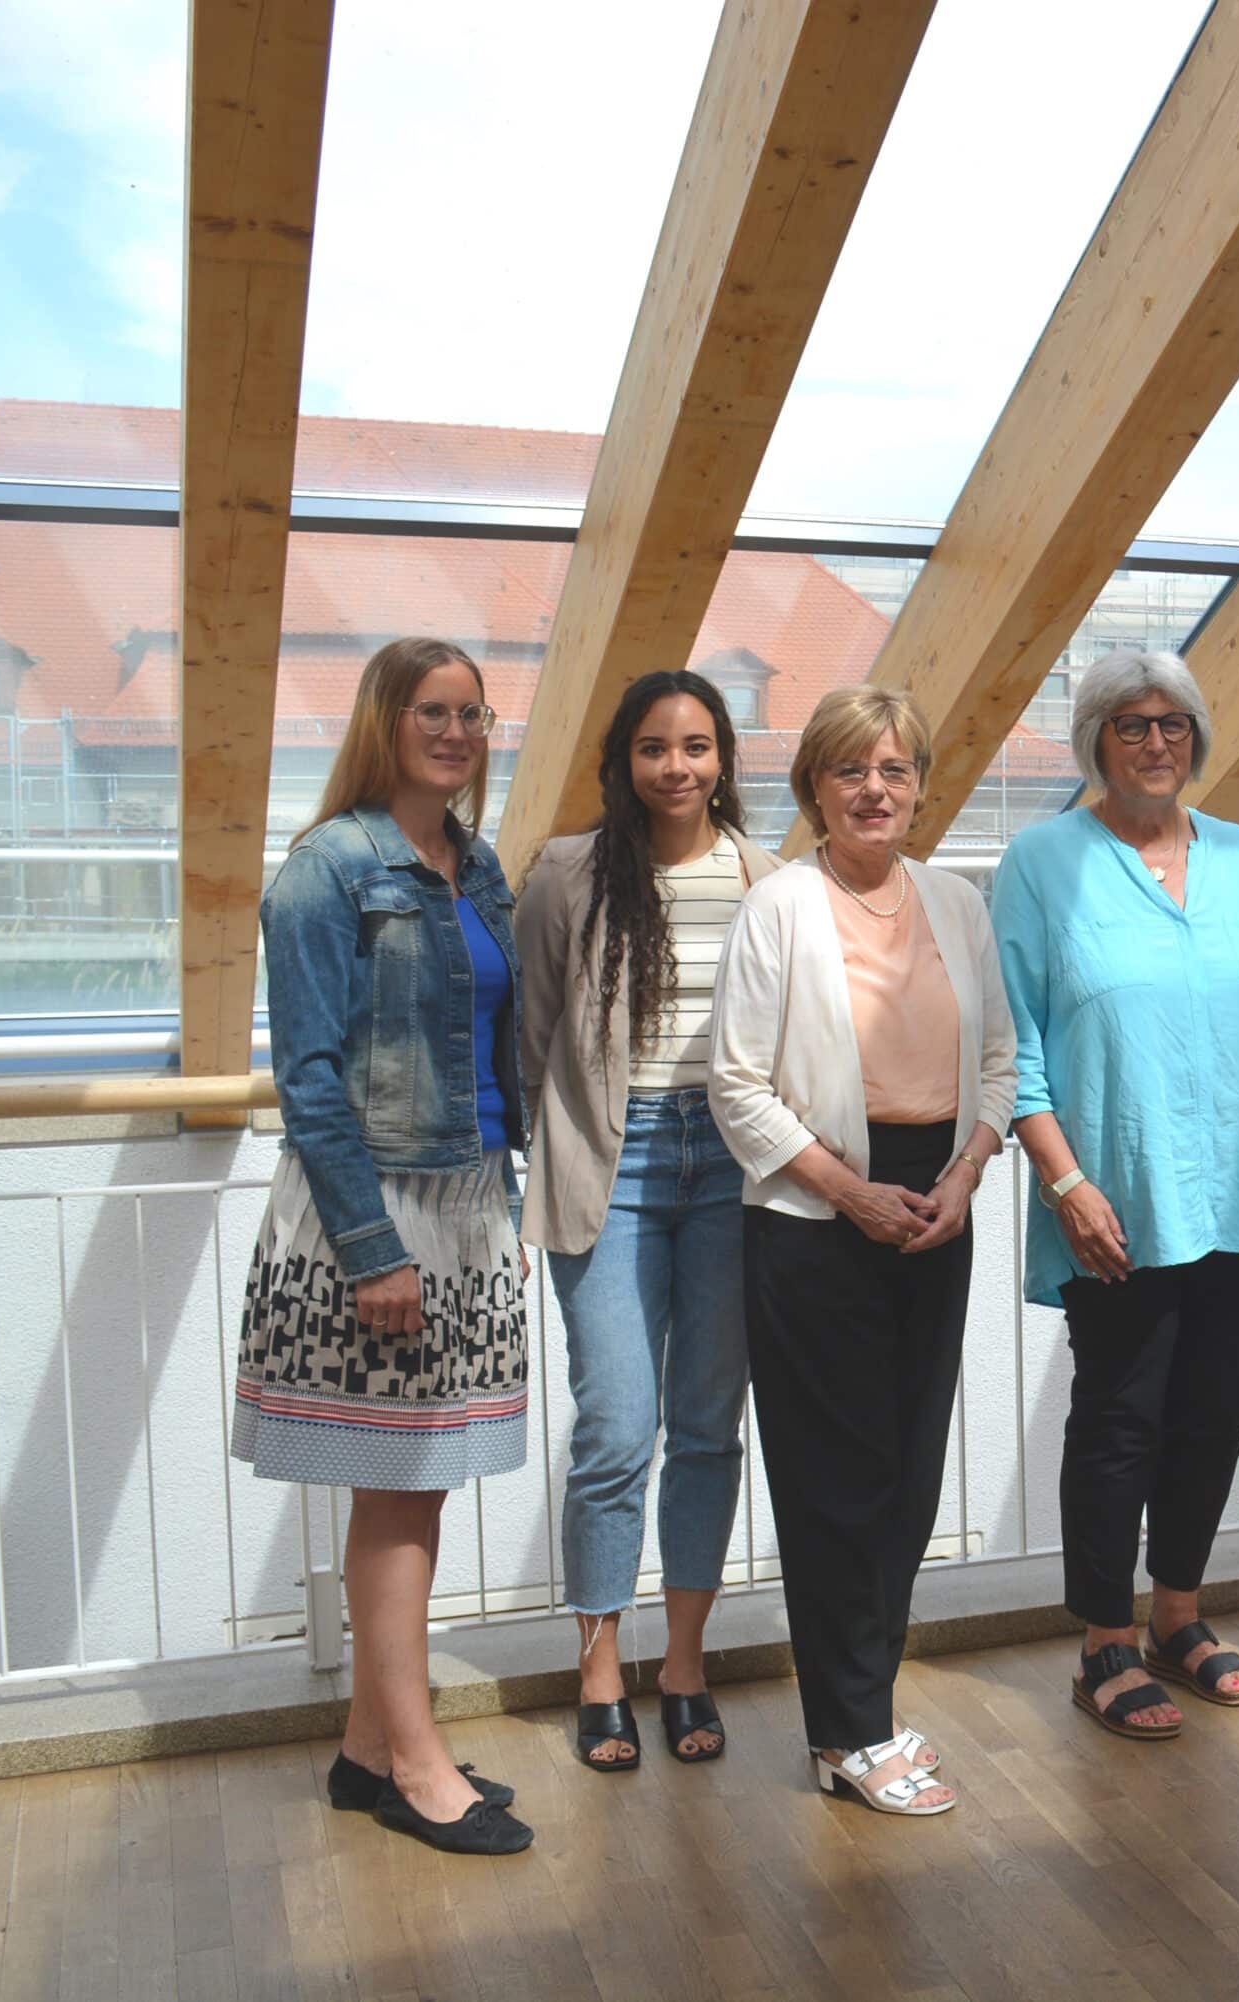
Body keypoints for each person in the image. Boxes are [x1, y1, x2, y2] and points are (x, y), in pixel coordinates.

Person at [234, 636, 534, 1855]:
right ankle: (417, 1763)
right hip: (377, 1214)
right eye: (432, 711)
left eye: (473, 713)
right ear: (383, 722)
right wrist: (372, 1250)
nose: (457, 733)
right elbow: (308, 1081)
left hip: (466, 1203)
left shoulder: (474, 862)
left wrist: (505, 1208)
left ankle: (368, 1750)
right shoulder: (328, 869)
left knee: (422, 1485)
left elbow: (493, 1053)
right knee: (400, 1494)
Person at [992, 651, 1239, 1740]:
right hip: (1116, 1198)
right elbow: (1014, 1045)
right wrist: (1066, 1184)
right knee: (1119, 1420)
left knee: (1213, 1414)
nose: (1154, 743)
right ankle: (1104, 1642)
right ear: (1095, 739)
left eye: (1172, 723)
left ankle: (1178, 1616)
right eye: (1130, 724)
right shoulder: (1042, 862)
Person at [708, 686, 1014, 1814]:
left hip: (937, 1206)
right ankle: (848, 1730)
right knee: (835, 1482)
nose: (874, 790)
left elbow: (1000, 1059)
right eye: (850, 770)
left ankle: (864, 1711)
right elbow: (736, 1085)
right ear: (815, 788)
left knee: (910, 1476)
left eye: (893, 769)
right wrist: (851, 1195)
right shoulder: (779, 905)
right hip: (815, 1219)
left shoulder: (957, 901)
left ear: (920, 785)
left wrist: (966, 1172)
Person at [517, 670, 777, 1771]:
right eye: (655, 747)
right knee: (618, 1427)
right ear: (623, 761)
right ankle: (598, 1670)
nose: (677, 766)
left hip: (732, 1165)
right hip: (611, 1164)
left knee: (709, 1426)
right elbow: (533, 1032)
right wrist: (557, 1150)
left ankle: (682, 1664)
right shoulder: (568, 873)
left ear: (723, 759)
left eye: (697, 746)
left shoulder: (766, 877)